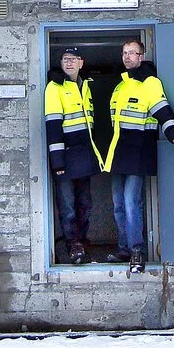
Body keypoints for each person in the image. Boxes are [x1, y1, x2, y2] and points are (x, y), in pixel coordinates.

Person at [101, 37, 174, 272]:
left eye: (132, 53)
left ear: (141, 56)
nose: (127, 57)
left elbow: (162, 110)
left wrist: (173, 133)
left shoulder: (150, 82)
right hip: (118, 153)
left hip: (138, 152)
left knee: (131, 202)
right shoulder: (121, 85)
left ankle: (137, 251)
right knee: (118, 204)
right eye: (124, 53)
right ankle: (124, 249)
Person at [43, 46, 100, 264]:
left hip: (84, 155)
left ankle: (82, 241)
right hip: (65, 156)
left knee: (85, 203)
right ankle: (73, 244)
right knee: (67, 206)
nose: (69, 63)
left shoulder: (86, 85)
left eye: (73, 59)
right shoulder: (55, 87)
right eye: (65, 59)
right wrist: (57, 161)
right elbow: (53, 125)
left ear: (81, 63)